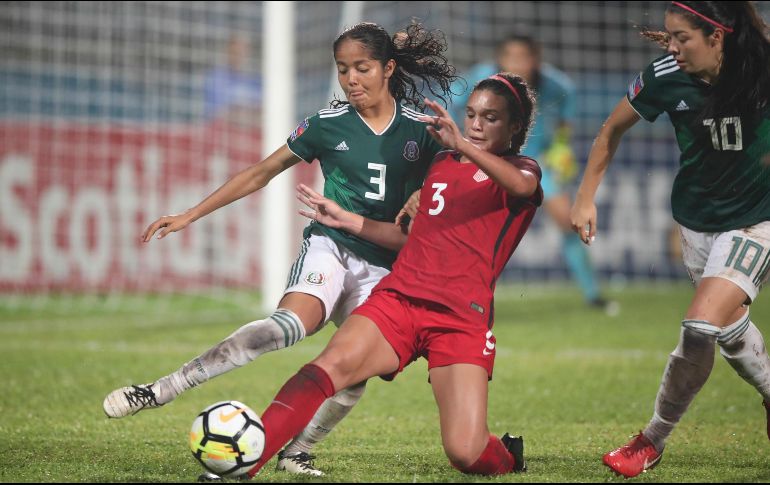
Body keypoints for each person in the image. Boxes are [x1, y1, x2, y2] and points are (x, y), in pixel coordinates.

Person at [103, 21, 458, 477]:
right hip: (332, 247)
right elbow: (260, 172)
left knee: (353, 372)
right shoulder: (326, 126)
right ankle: (161, 389)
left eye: (362, 68)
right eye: (343, 69)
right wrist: (191, 213)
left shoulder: (421, 130)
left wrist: (424, 195)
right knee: (286, 327)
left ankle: (297, 450)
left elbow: (452, 180)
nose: (351, 79)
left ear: (388, 68)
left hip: (388, 268)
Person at [243, 72, 542, 478]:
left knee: (466, 453)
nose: (475, 124)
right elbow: (413, 239)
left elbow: (523, 187)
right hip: (399, 299)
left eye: (490, 118)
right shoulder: (441, 164)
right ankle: (245, 462)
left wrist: (465, 151)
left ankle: (508, 457)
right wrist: (348, 220)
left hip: (459, 319)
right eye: (471, 114)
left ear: (514, 127)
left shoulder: (521, 170)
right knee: (327, 367)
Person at [569, 1, 770, 478]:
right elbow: (611, 129)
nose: (671, 47)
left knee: (699, 326)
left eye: (682, 38)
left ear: (717, 36)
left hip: (756, 221)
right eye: (669, 36)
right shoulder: (663, 75)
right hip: (696, 222)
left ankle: (651, 440)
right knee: (729, 334)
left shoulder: (762, 65)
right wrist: (585, 197)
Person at [450, 35, 617, 314]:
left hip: (534, 161)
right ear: (499, 60)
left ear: (536, 59)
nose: (517, 64)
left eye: (523, 57)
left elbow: (565, 121)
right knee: (472, 226)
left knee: (566, 219)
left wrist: (561, 147)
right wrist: (467, 145)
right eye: (510, 57)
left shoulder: (557, 85)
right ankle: (461, 295)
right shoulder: (481, 78)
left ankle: (593, 294)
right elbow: (452, 102)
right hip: (491, 159)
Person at [204, 34, 263, 123]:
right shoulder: (217, 78)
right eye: (236, 53)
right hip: (226, 129)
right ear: (228, 52)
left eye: (243, 53)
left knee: (290, 133)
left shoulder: (255, 80)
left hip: (253, 127)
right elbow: (218, 113)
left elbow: (264, 109)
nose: (240, 57)